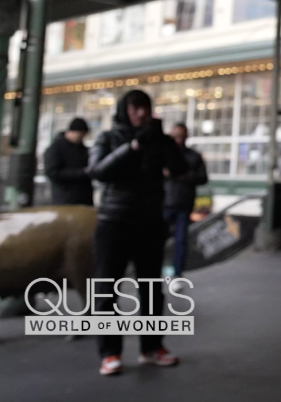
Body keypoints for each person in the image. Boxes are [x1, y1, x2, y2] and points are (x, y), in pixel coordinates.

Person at [88, 90, 187, 377]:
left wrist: (164, 142)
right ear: (124, 110)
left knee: (151, 289)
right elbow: (98, 171)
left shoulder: (158, 140)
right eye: (135, 108)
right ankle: (109, 353)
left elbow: (180, 169)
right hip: (114, 220)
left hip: (150, 220)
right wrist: (132, 147)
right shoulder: (108, 138)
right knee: (107, 289)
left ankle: (152, 347)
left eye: (145, 107)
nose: (141, 113)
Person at [164, 123, 208, 283]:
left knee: (180, 241)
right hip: (164, 203)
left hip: (183, 203)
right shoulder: (164, 155)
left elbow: (203, 178)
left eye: (181, 136)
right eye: (175, 136)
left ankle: (177, 274)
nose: (178, 140)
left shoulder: (193, 156)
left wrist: (186, 177)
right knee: (156, 240)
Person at [43, 117, 94, 206]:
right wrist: (81, 172)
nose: (82, 138)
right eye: (80, 135)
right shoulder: (56, 148)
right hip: (65, 199)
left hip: (83, 199)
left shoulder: (83, 149)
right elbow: (52, 172)